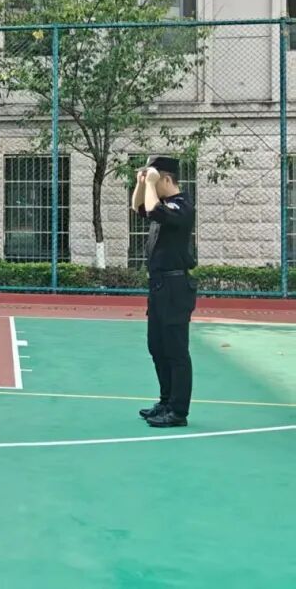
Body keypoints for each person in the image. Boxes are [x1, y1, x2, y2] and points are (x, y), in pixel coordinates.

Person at [131, 155, 197, 428]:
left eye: (156, 179)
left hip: (175, 286)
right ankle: (166, 401)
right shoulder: (160, 204)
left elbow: (154, 210)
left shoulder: (183, 206)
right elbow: (139, 208)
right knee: (157, 346)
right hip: (159, 286)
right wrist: (141, 183)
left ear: (167, 179)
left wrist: (151, 183)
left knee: (176, 350)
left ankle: (178, 411)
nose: (152, 185)